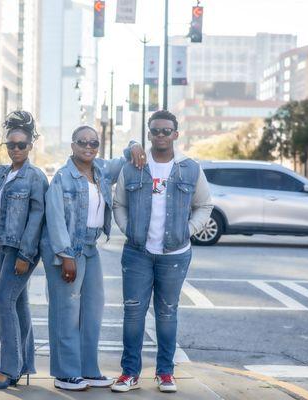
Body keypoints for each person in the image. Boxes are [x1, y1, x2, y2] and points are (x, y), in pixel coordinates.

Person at [111, 110, 213, 393]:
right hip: (137, 252)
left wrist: (188, 230)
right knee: (133, 314)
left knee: (167, 314)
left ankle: (165, 373)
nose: (160, 135)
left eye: (166, 131)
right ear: (149, 133)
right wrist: (128, 228)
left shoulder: (190, 168)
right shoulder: (134, 166)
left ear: (176, 134)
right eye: (155, 130)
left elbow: (205, 205)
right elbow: (118, 203)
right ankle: (129, 373)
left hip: (175, 254)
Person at [42, 126, 145, 391]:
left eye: (94, 142)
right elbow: (54, 220)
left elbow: (124, 159)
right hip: (69, 250)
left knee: (92, 310)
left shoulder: (100, 170)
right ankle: (65, 373)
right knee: (67, 312)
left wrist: (133, 144)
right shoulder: (63, 178)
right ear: (72, 145)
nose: (88, 146)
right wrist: (65, 255)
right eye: (82, 142)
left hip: (91, 248)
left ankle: (88, 369)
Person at [0, 111, 48, 390]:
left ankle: (7, 370)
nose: (16, 149)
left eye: (21, 145)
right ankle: (25, 365)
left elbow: (37, 219)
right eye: (11, 145)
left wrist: (26, 256)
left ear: (30, 146)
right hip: (3, 244)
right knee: (18, 303)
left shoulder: (35, 177)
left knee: (3, 300)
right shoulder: (1, 174)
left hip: (22, 250)